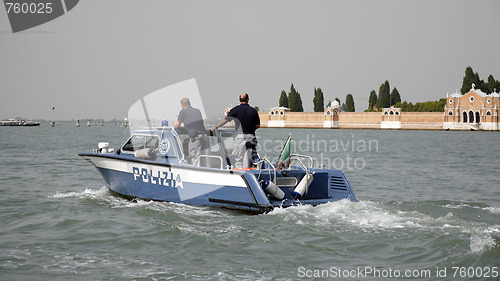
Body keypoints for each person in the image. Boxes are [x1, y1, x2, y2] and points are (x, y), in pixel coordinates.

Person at [211, 93, 260, 168]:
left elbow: (226, 120)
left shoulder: (236, 110)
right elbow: (258, 125)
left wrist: (216, 126)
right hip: (251, 136)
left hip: (240, 136)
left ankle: (240, 174)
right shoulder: (253, 110)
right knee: (250, 158)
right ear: (247, 100)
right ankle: (251, 172)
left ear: (239, 100)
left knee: (238, 159)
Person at [174, 98, 209, 166]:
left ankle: (195, 173)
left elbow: (177, 125)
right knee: (206, 158)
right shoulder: (197, 111)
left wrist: (175, 123)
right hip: (204, 136)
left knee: (194, 157)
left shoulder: (183, 111)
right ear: (189, 103)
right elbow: (195, 123)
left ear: (182, 105)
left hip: (196, 137)